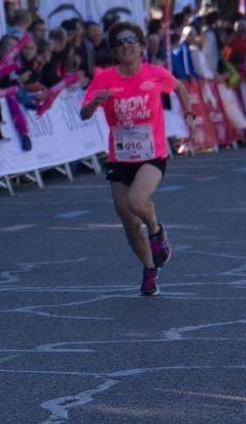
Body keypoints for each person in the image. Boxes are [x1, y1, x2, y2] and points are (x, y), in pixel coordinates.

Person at [80, 22, 195, 296]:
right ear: (114, 52)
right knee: (130, 223)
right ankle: (149, 267)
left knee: (136, 202)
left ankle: (157, 232)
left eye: (132, 40)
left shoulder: (155, 74)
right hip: (120, 157)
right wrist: (95, 102)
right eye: (120, 43)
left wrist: (189, 114)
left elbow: (179, 87)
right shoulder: (104, 79)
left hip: (151, 154)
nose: (127, 45)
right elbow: (84, 114)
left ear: (142, 46)